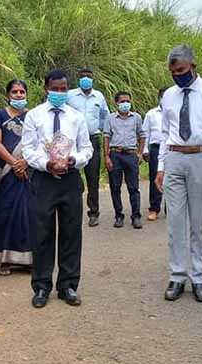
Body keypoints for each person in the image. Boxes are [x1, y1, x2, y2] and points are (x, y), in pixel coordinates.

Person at [22, 69, 93, 308]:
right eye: (55, 89)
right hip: (43, 180)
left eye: (63, 89)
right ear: (46, 89)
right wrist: (46, 163)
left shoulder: (76, 117)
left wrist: (74, 160)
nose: (59, 93)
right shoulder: (34, 116)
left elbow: (87, 149)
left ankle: (68, 285)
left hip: (70, 179)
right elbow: (28, 149)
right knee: (42, 233)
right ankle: (41, 286)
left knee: (71, 232)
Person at [155, 45, 202, 303]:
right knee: (175, 221)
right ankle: (178, 275)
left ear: (193, 66)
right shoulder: (169, 95)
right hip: (174, 157)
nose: (177, 76)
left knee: (198, 221)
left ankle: (199, 277)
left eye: (181, 71)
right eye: (173, 72)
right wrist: (161, 167)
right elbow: (164, 133)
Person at [0, 79, 34, 276]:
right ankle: (5, 259)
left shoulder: (32, 116)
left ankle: (27, 259)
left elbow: (37, 142)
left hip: (29, 170)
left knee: (28, 213)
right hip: (6, 171)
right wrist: (14, 163)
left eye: (22, 92)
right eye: (15, 92)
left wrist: (25, 162)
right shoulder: (0, 115)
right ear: (8, 95)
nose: (18, 95)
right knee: (5, 212)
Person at [67, 68, 109, 227]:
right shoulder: (70, 95)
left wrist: (99, 130)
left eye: (88, 77)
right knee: (72, 175)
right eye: (83, 76)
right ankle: (71, 209)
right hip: (73, 141)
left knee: (93, 177)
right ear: (78, 79)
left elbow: (105, 116)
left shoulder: (99, 96)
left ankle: (93, 212)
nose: (86, 79)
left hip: (92, 139)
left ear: (93, 79)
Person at [104, 91, 146, 229]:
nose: (125, 104)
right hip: (115, 154)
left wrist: (140, 153)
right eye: (122, 101)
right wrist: (106, 156)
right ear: (116, 103)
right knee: (115, 187)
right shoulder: (110, 118)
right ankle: (118, 216)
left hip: (131, 154)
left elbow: (142, 135)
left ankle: (136, 216)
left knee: (133, 187)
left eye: (127, 101)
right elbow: (106, 136)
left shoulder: (136, 117)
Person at [142, 88, 167, 221]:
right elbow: (145, 133)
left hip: (172, 148)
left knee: (173, 178)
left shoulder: (175, 111)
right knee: (155, 177)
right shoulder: (151, 114)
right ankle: (154, 208)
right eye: (163, 96)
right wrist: (145, 150)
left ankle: (170, 208)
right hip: (156, 148)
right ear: (159, 97)